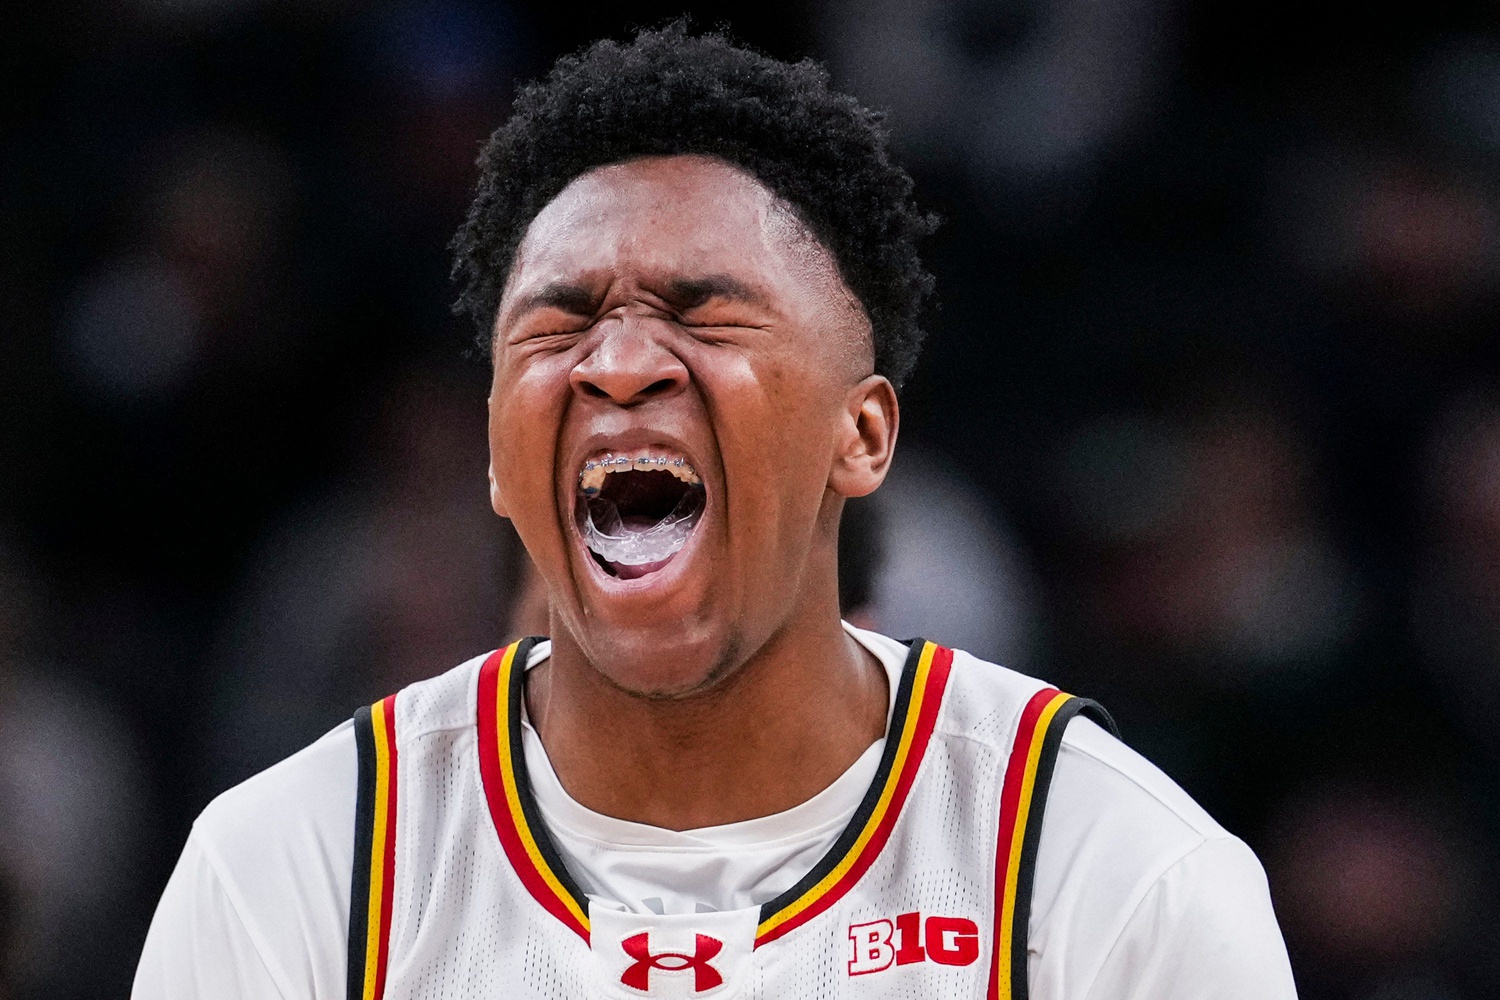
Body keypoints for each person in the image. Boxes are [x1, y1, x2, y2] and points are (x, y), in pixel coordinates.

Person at [133, 25, 1296, 999]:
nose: (622, 363)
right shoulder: (296, 869)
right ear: (497, 454)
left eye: (706, 314)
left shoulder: (1110, 870)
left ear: (864, 433)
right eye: (562, 321)